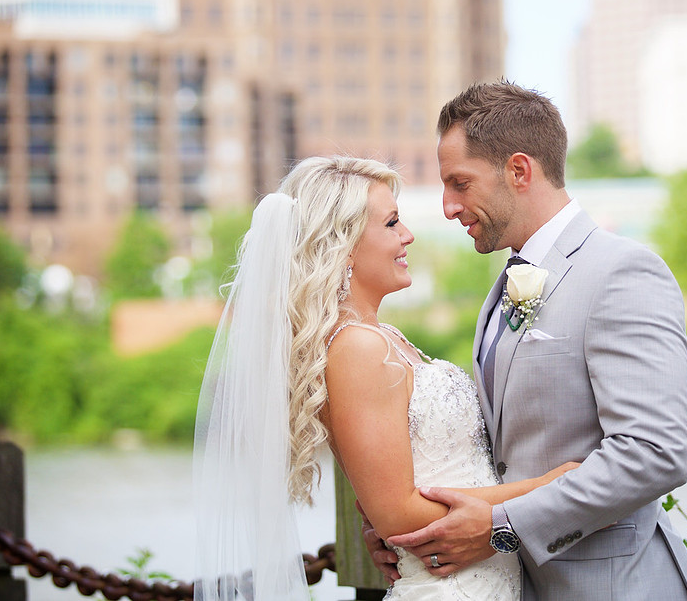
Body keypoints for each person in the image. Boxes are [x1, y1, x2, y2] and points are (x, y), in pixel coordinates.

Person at [362, 81, 687, 600]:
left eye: (460, 183)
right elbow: (504, 451)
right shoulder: (507, 284)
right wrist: (418, 531)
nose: (448, 207)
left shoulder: (621, 272)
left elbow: (655, 451)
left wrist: (500, 529)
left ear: (519, 171)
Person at [194, 156, 576, 601]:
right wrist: (551, 486)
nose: (407, 235)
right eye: (392, 223)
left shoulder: (381, 337)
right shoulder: (358, 347)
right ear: (342, 244)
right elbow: (397, 514)